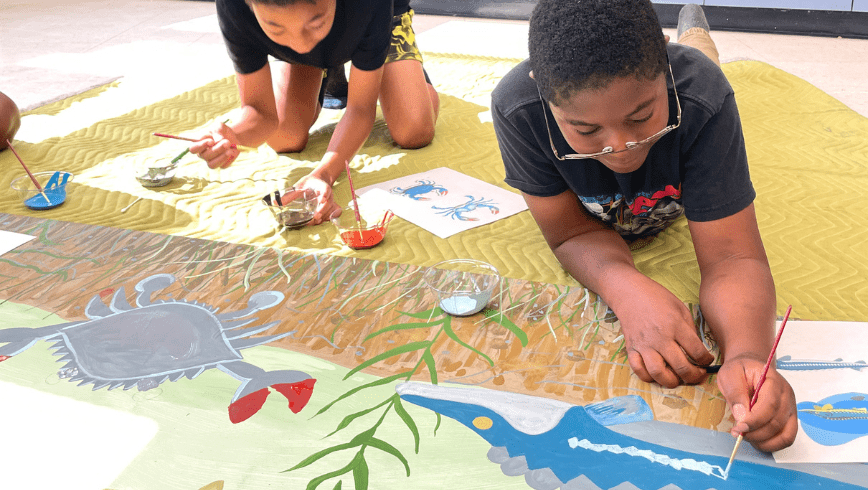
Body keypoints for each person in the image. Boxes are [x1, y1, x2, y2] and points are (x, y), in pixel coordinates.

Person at [491, 0, 797, 452]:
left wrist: (748, 354)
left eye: (640, 117)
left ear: (664, 71)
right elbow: (570, 233)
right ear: (543, 92)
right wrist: (625, 286)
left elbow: (732, 255)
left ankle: (693, 28)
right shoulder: (517, 108)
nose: (621, 145)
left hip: (691, 75)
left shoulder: (698, 96)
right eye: (585, 129)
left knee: (707, 66)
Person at [193, 0, 440, 224]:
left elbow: (361, 109)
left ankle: (399, 74)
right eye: (275, 27)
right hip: (335, 22)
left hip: (380, 17)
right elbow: (259, 111)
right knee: (283, 138)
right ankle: (330, 70)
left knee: (414, 130)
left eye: (316, 22)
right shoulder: (233, 7)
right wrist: (234, 135)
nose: (301, 45)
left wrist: (324, 174)